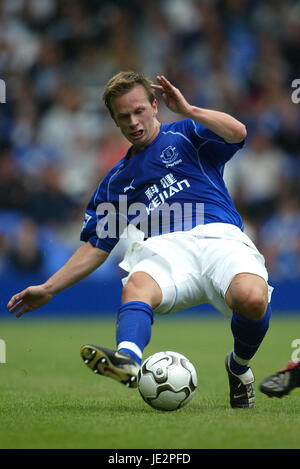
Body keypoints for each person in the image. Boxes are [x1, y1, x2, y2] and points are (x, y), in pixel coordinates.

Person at [7, 71, 273, 409]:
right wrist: (48, 288)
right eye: (124, 116)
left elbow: (239, 133)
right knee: (136, 286)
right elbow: (96, 246)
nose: (133, 122)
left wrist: (189, 110)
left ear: (154, 106)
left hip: (218, 234)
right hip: (166, 249)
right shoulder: (118, 181)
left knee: (252, 299)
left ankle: (237, 367)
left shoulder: (187, 134)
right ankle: (128, 360)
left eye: (138, 111)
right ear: (115, 121)